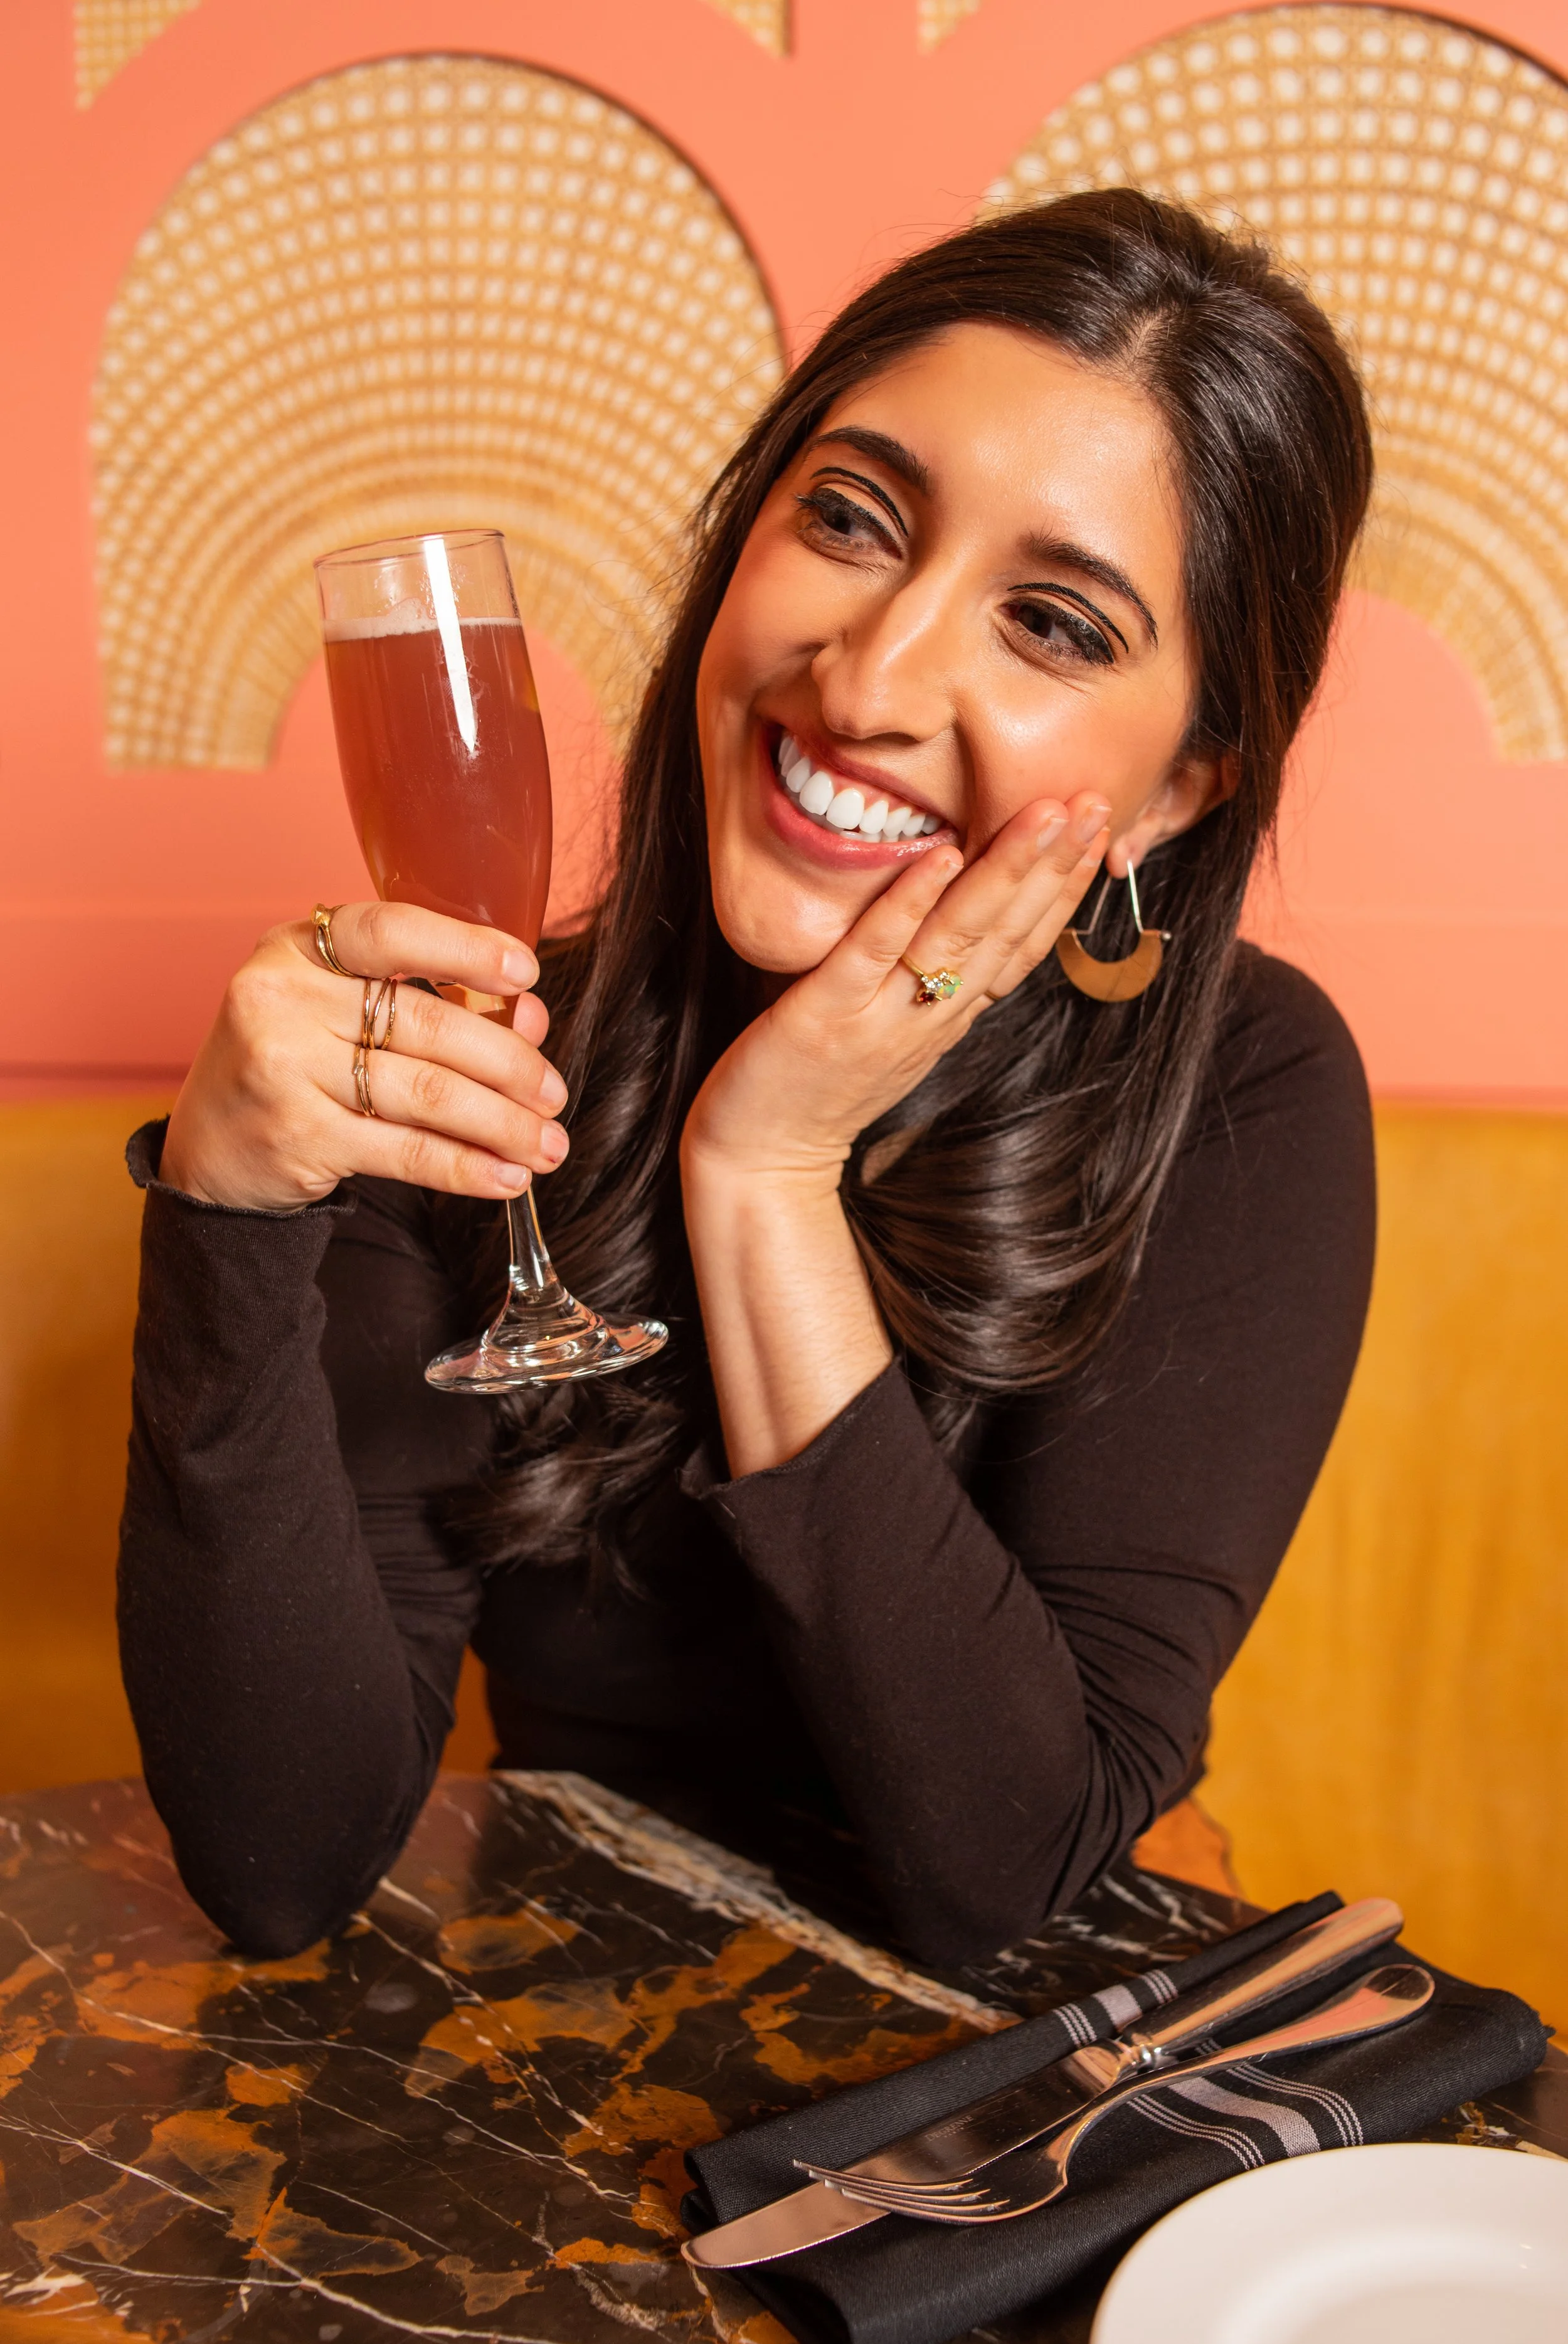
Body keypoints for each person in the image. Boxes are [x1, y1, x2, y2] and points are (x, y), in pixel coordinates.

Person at [119, 191, 1375, 1966]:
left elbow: (1002, 1868)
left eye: (1053, 623)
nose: (865, 679)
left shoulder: (1243, 1084)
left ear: (1179, 786)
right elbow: (280, 1859)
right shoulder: (472, 1063)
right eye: (851, 520)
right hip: (556, 2047)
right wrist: (227, 1220)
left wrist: (764, 1172)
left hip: (1011, 2093)